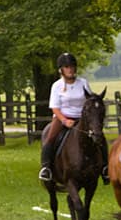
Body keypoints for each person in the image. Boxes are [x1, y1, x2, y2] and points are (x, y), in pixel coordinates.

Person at [38, 52, 109, 184]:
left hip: (82, 119)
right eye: (66, 67)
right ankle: (46, 168)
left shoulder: (83, 83)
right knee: (50, 138)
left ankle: (105, 168)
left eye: (72, 66)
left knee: (100, 138)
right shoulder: (57, 86)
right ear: (61, 69)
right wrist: (65, 120)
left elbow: (90, 100)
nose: (70, 69)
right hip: (62, 118)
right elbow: (54, 108)